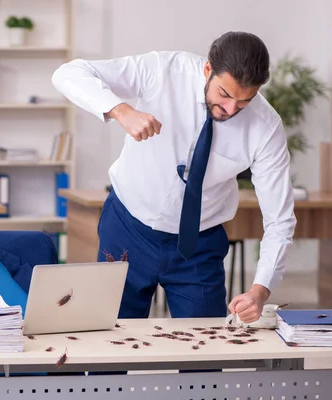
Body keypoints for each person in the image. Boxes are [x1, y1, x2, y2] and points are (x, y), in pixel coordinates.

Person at [51, 31, 296, 324]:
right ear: (208, 70)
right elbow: (68, 73)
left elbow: (279, 219)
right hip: (127, 227)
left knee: (205, 353)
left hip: (198, 245)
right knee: (109, 340)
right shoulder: (163, 72)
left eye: (244, 102)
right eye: (225, 95)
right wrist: (121, 111)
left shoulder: (265, 127)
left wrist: (260, 290)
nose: (230, 110)